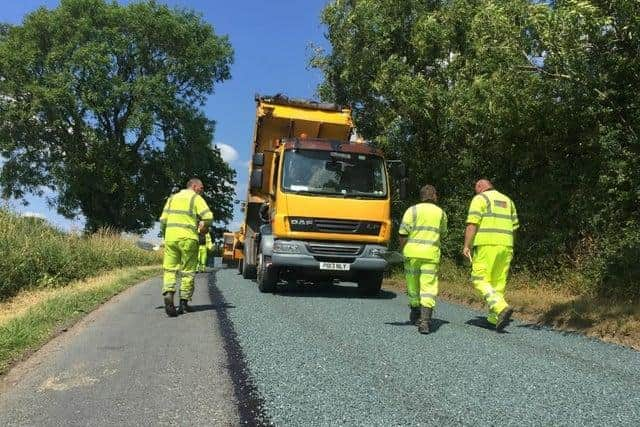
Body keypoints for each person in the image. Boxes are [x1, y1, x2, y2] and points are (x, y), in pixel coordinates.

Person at [463, 179, 519, 331]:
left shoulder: (480, 199)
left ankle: (501, 307)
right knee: (497, 283)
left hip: (487, 245)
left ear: (481, 186)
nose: (476, 191)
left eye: (476, 188)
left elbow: (472, 224)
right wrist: (510, 246)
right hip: (506, 246)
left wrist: (466, 246)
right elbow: (514, 228)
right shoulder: (508, 201)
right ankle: (494, 319)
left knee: (479, 278)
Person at [159, 178, 213, 317]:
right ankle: (183, 303)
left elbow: (163, 220)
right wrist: (204, 227)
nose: (202, 191)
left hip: (171, 238)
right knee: (188, 271)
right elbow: (208, 216)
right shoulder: (195, 198)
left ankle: (169, 293)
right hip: (188, 238)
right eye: (201, 188)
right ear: (194, 186)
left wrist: (166, 234)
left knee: (169, 269)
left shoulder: (172, 198)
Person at [398, 184, 448, 334]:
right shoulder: (441, 213)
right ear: (434, 196)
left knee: (413, 286)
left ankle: (415, 312)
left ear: (421, 196)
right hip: (431, 255)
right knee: (428, 288)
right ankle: (425, 321)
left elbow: (402, 233)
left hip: (412, 254)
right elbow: (443, 233)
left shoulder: (411, 210)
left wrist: (401, 251)